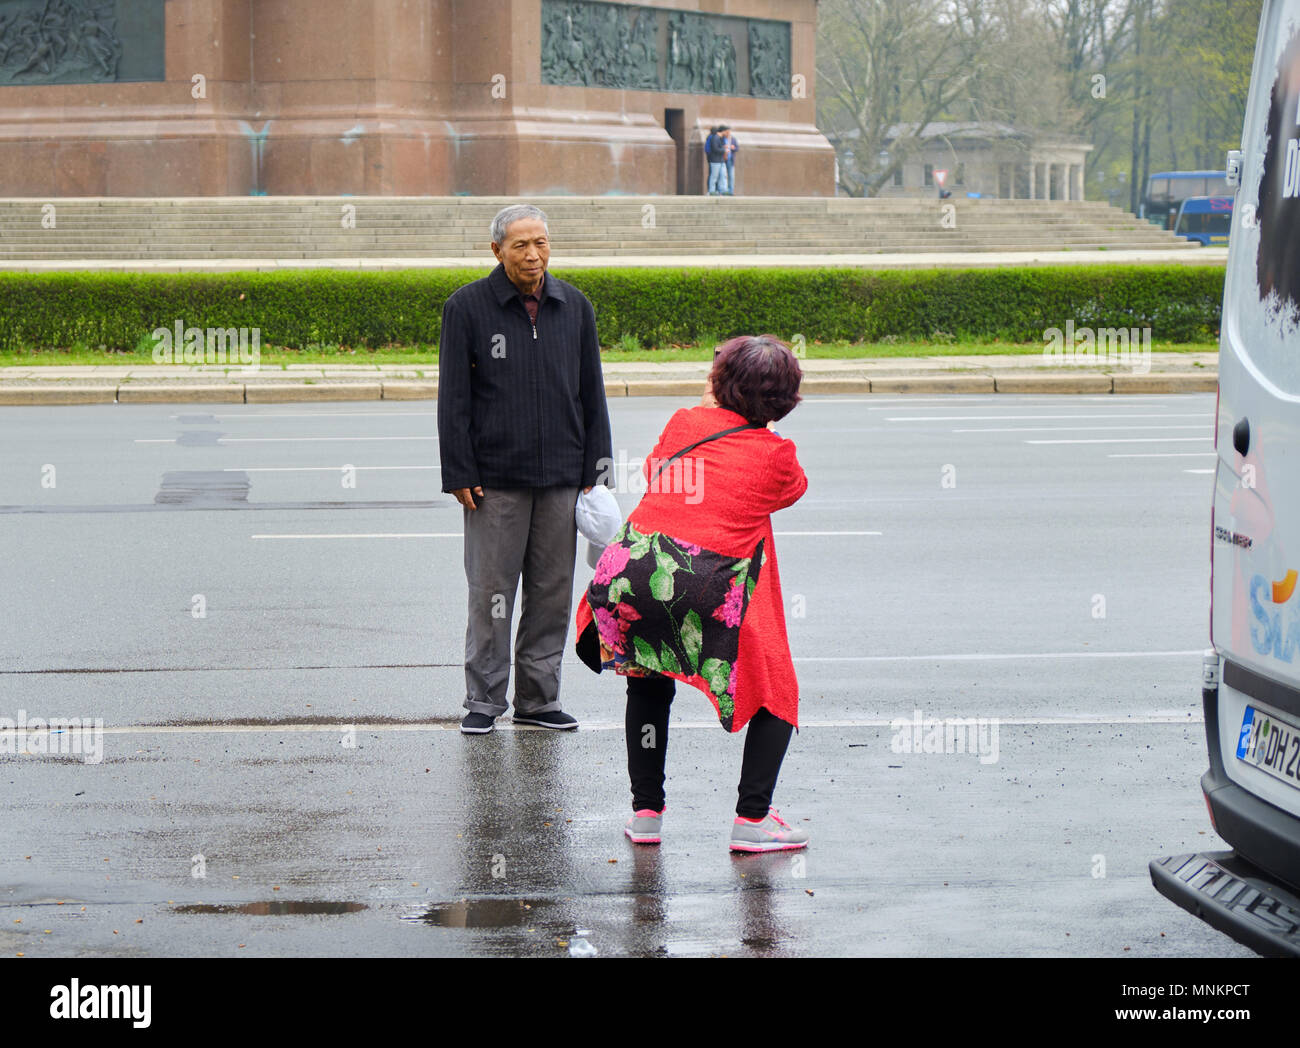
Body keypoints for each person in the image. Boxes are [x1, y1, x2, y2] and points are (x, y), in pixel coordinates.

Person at [573, 336, 810, 852]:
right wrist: (754, 424)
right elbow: (792, 491)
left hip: (631, 575)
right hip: (705, 581)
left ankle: (646, 815)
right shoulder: (776, 455)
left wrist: (710, 413)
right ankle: (752, 821)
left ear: (718, 383)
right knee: (776, 688)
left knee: (649, 682)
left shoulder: (685, 424)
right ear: (785, 400)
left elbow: (656, 470)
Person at [438, 203, 613, 735]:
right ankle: (484, 700)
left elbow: (592, 393)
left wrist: (598, 470)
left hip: (562, 476)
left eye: (541, 242)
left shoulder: (573, 306)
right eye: (520, 245)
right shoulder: (467, 308)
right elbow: (454, 398)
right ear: (497, 251)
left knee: (551, 593)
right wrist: (459, 470)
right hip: (494, 482)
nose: (533, 254)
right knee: (492, 594)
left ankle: (539, 701)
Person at [705, 125, 729, 195]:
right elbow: (715, 149)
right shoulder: (715, 138)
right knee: (714, 176)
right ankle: (711, 191)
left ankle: (723, 190)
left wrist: (723, 148)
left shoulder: (721, 138)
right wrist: (724, 150)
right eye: (727, 131)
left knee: (723, 176)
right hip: (715, 160)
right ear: (723, 131)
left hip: (721, 160)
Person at [723, 127, 738, 195]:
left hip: (730, 160)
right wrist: (724, 147)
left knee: (731, 176)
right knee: (723, 176)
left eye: (729, 132)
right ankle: (724, 191)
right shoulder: (722, 139)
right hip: (723, 160)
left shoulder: (733, 139)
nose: (728, 133)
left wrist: (733, 148)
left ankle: (730, 191)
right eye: (727, 132)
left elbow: (737, 148)